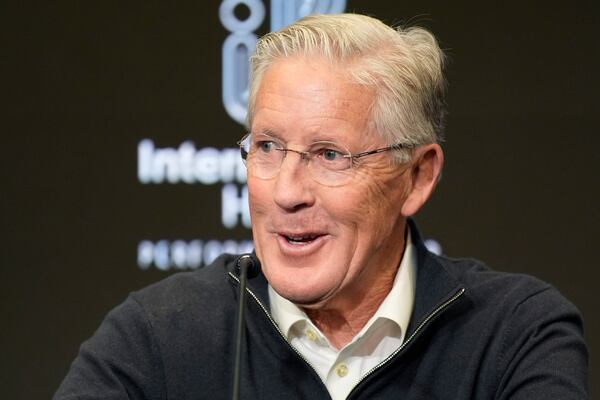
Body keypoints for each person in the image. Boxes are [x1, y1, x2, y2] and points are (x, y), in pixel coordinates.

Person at [55, 13, 588, 400]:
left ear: (418, 176)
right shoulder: (157, 337)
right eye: (267, 147)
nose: (287, 193)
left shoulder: (515, 335)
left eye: (329, 155)